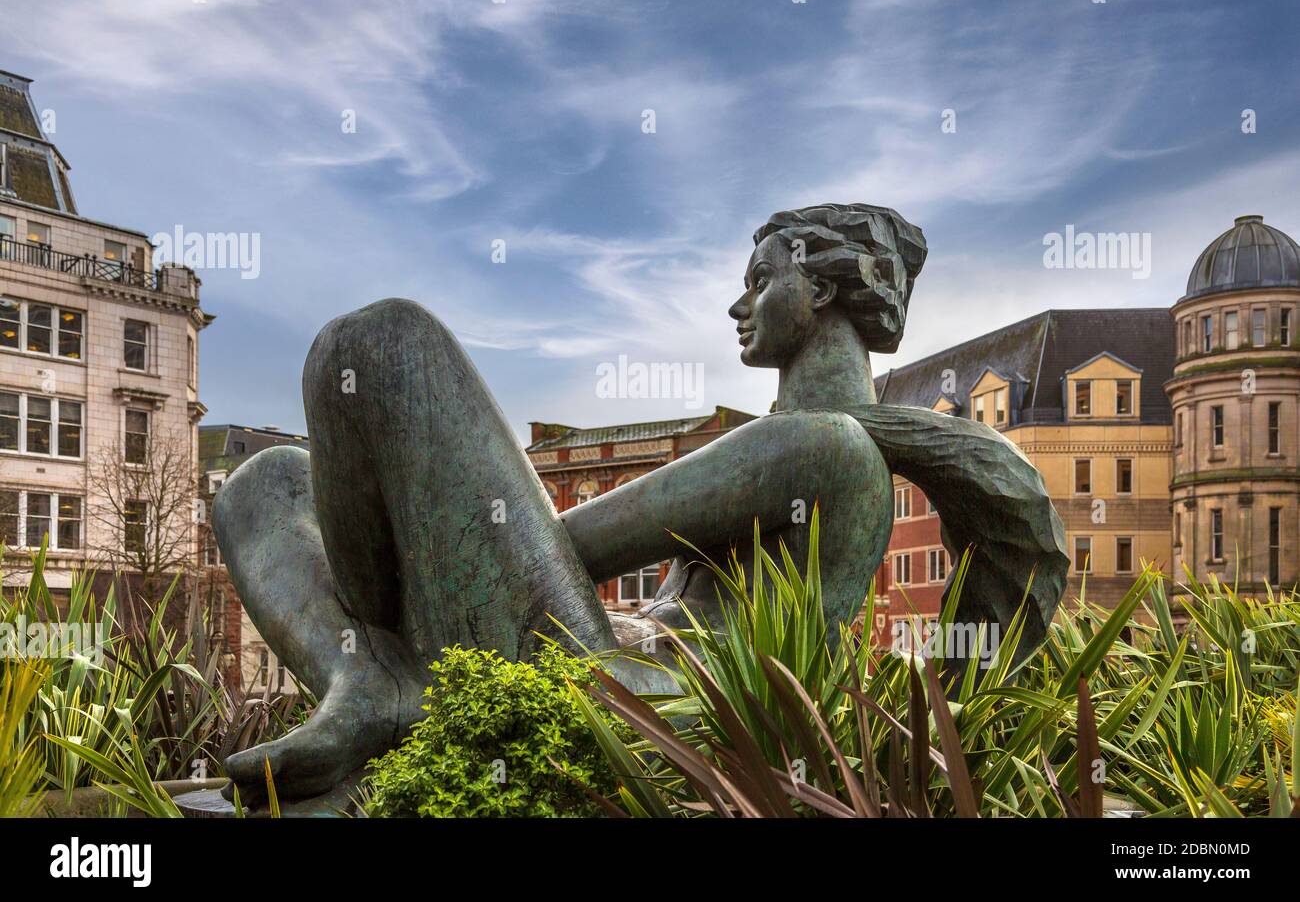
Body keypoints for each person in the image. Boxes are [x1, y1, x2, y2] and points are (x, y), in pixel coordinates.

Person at [214, 203, 1066, 800]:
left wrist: (425, 502)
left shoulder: (823, 450)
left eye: (761, 279)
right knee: (263, 481)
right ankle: (372, 676)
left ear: (825, 292)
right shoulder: (806, 446)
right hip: (601, 656)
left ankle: (375, 674)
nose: (738, 303)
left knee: (380, 344)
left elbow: (561, 546)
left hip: (636, 707)